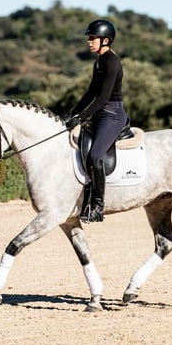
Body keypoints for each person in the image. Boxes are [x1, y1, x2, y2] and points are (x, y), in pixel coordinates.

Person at [64, 19, 127, 223]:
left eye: (93, 38)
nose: (89, 42)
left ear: (106, 40)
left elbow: (101, 98)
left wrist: (82, 117)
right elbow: (91, 91)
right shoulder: (99, 61)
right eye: (89, 38)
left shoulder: (112, 62)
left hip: (113, 114)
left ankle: (97, 206)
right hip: (100, 113)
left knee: (95, 155)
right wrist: (73, 113)